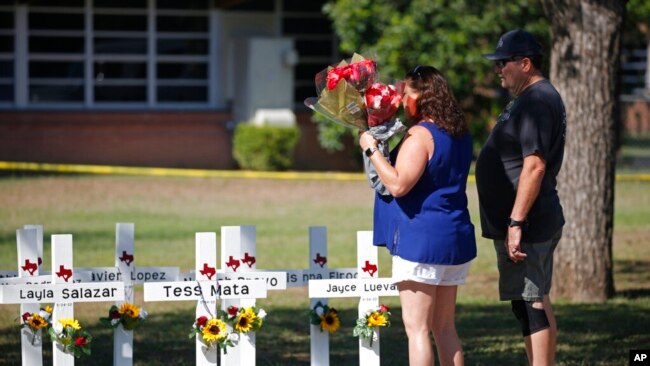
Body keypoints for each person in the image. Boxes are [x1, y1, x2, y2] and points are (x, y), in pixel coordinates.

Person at [359, 65, 476, 366]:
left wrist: (371, 149)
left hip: (421, 240)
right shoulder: (458, 132)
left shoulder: (420, 135)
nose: (401, 100)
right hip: (454, 237)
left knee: (418, 330)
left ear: (423, 95)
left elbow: (398, 184)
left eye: (406, 93)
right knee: (445, 327)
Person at [475, 28, 566, 365]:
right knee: (528, 299)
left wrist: (516, 222)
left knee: (531, 301)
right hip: (525, 220)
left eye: (503, 63)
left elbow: (534, 165)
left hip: (530, 221)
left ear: (525, 63)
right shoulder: (529, 99)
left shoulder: (538, 100)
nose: (498, 69)